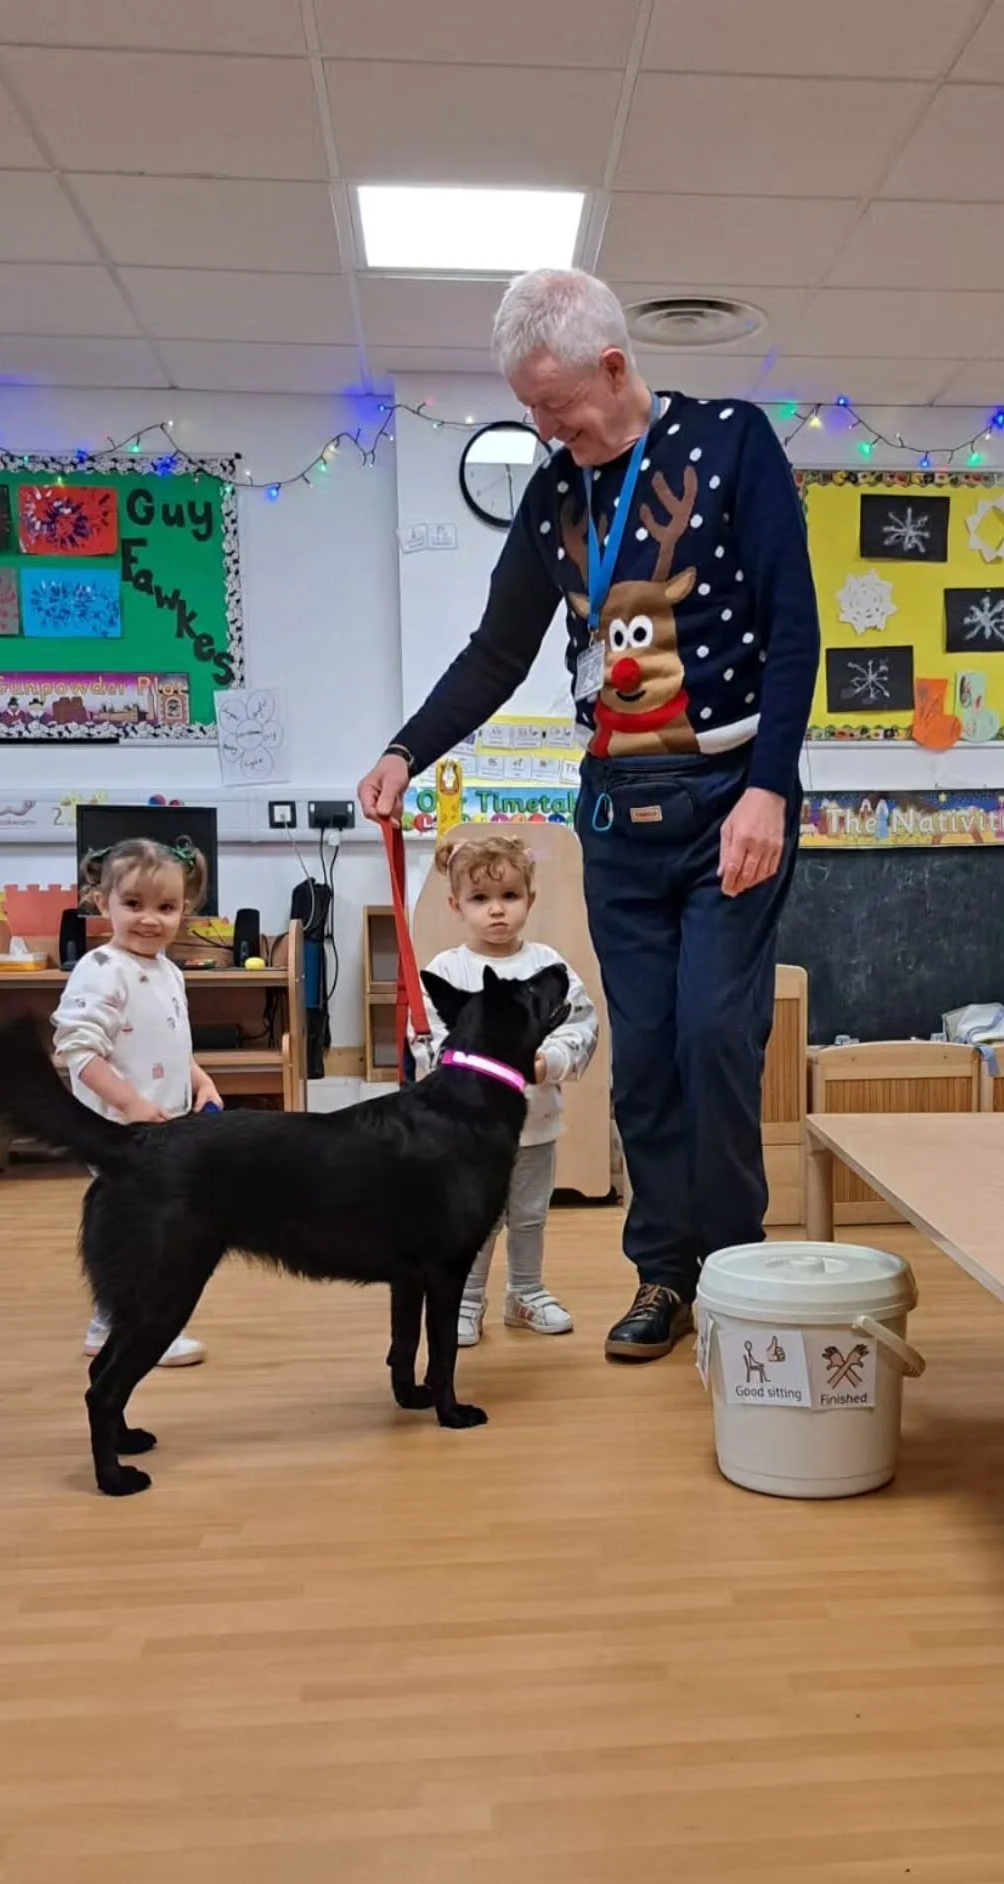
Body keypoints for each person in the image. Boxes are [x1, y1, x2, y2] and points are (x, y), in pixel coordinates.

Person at [359, 267, 820, 1364]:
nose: (543, 425)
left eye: (553, 402)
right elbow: (497, 650)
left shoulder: (731, 443)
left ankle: (738, 1266)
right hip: (619, 807)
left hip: (729, 799)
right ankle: (665, 1272)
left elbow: (796, 626)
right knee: (648, 1053)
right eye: (528, 407)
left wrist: (772, 786)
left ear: (614, 367)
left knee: (716, 1034)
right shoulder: (555, 493)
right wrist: (405, 748)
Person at [412, 834, 598, 1346]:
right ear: (457, 906)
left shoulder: (548, 968)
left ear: (529, 901)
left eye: (509, 897)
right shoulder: (445, 972)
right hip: (468, 1134)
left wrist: (548, 1060)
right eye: (480, 900)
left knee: (530, 1214)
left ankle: (526, 1293)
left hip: (534, 1125)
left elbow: (579, 1025)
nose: (496, 911)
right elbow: (427, 1041)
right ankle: (466, 1300)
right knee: (477, 1217)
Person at [51, 838, 221, 1367]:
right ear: (102, 904)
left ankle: (111, 1323)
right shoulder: (102, 969)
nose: (150, 920)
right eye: (134, 905)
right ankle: (141, 1326)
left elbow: (172, 1040)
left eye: (166, 908)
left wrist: (200, 1080)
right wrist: (129, 1105)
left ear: (184, 910)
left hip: (161, 1129)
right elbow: (77, 1051)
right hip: (121, 1131)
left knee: (152, 1229)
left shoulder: (168, 971)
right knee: (147, 1233)